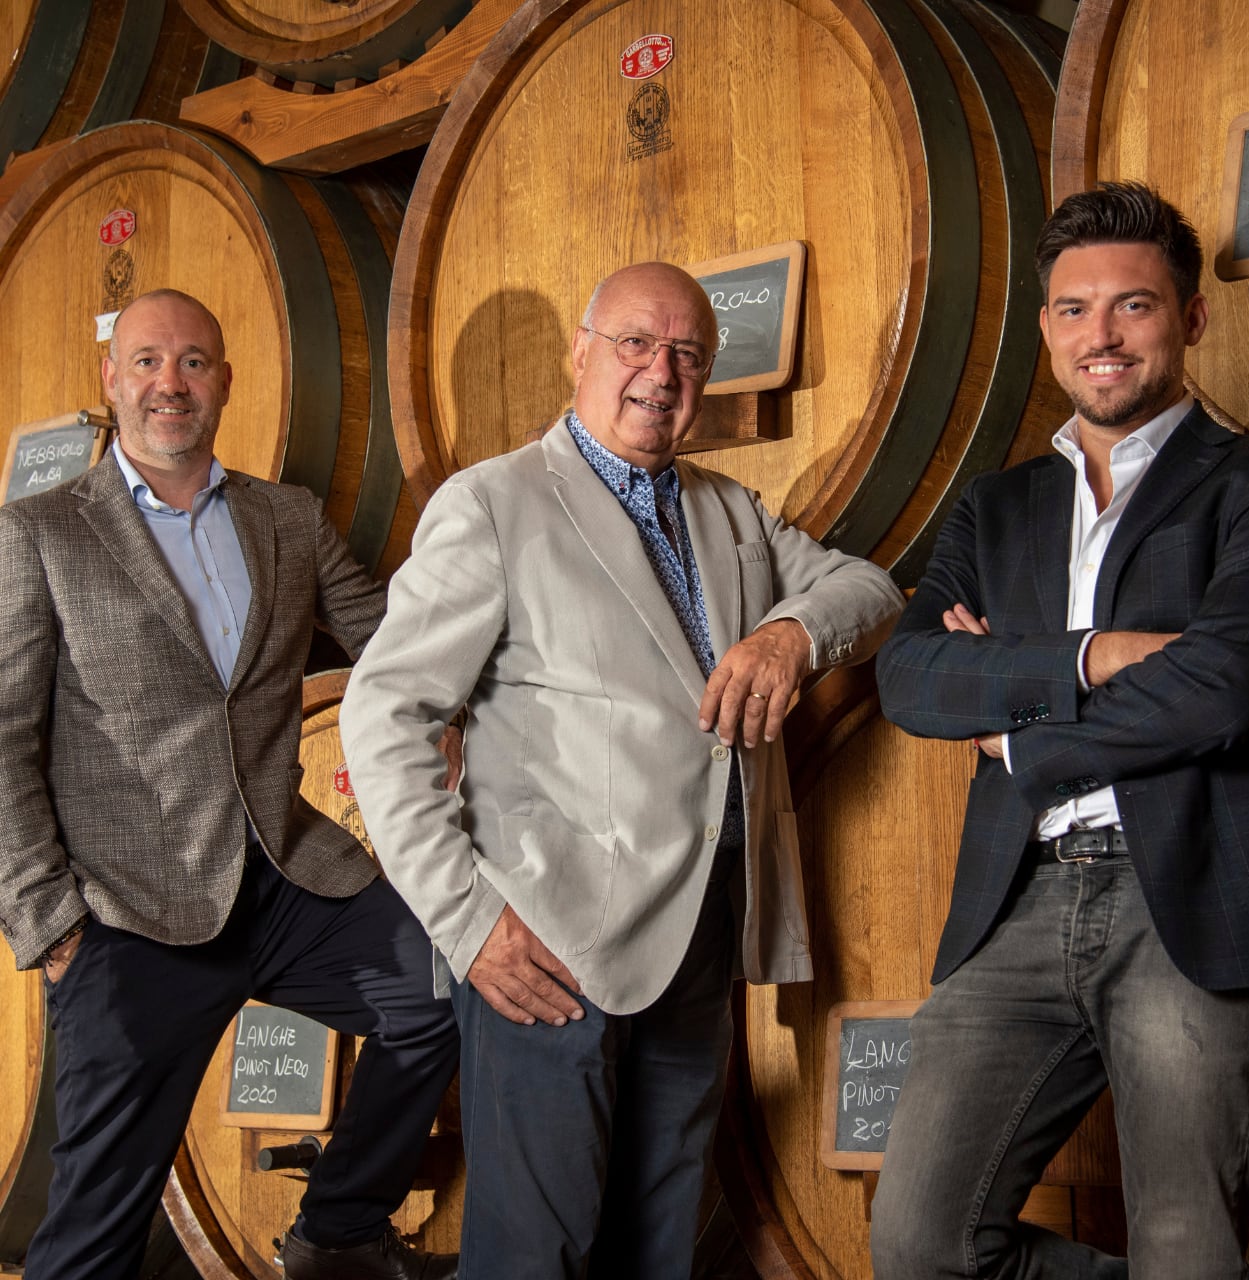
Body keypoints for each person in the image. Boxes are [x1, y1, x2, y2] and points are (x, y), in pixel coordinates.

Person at [339, 261, 904, 1279]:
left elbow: (869, 590)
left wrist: (788, 634)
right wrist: (466, 922)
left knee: (657, 1248)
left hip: (697, 935)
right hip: (544, 947)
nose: (661, 371)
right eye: (635, 343)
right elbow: (384, 717)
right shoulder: (494, 503)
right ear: (581, 353)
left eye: (688, 353)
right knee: (535, 1256)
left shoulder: (730, 512)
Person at [0, 289, 461, 1280]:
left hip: (286, 881)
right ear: (111, 380)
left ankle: (338, 1230)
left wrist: (482, 669)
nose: (170, 383)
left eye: (194, 362)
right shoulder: (39, 532)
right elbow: (2, 738)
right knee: (96, 1230)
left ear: (225, 381)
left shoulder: (284, 517)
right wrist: (51, 926)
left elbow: (385, 639)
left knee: (441, 990)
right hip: (129, 915)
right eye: (148, 361)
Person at [871, 182, 1249, 1278]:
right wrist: (1097, 655)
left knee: (1187, 1249)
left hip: (1186, 898)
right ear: (1047, 327)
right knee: (920, 1245)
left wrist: (1018, 730)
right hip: (1017, 896)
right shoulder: (994, 506)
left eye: (1132, 305)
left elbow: (1227, 686)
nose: (1100, 335)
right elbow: (910, 677)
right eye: (1072, 309)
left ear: (1191, 318)